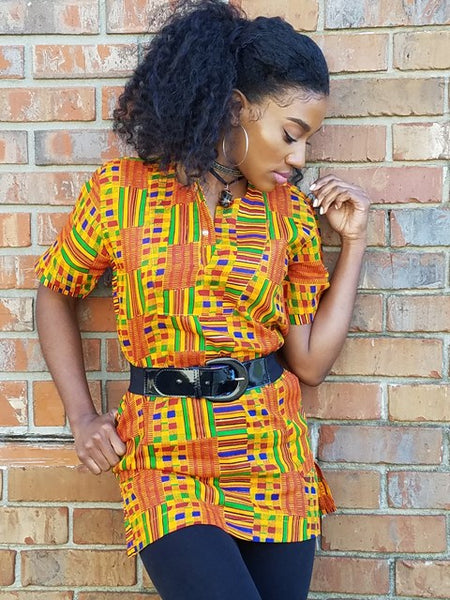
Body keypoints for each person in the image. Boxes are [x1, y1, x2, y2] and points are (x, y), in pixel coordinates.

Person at [35, 1, 370, 598]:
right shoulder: (121, 193)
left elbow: (311, 363)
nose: (299, 158)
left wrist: (355, 242)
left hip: (271, 456)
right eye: (290, 134)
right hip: (164, 456)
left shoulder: (288, 215)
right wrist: (82, 416)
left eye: (307, 141)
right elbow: (56, 289)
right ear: (236, 109)